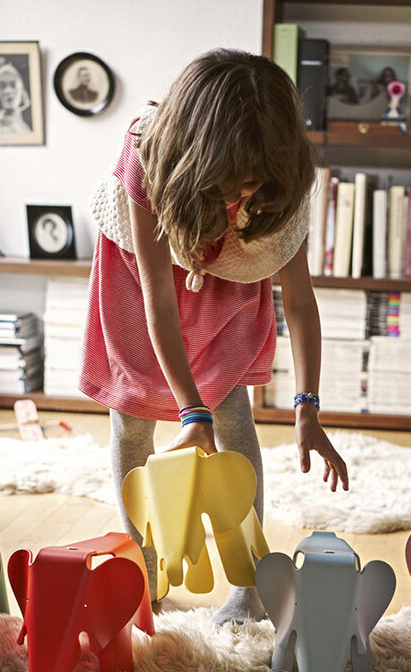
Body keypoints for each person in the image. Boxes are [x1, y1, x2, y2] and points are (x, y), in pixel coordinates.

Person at [80, 48, 349, 624]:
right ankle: (145, 571)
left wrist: (308, 408)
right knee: (132, 425)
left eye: (252, 188)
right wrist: (186, 408)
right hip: (145, 291)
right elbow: (157, 297)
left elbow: (299, 302)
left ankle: (248, 587)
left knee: (233, 418)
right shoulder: (146, 157)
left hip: (224, 290)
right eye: (230, 187)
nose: (241, 200)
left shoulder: (282, 183)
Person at [0, 63, 32, 133]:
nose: (8, 91)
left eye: (13, 85)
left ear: (21, 89)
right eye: (2, 86)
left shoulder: (23, 123)